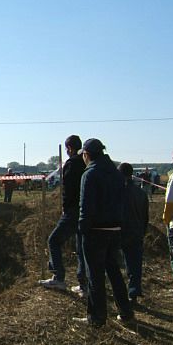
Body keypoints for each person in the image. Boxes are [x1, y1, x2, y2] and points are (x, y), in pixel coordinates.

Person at [73, 139, 134, 327]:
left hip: (95, 230)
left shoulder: (89, 174)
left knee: (95, 276)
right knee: (114, 271)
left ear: (87, 154)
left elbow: (86, 205)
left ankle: (96, 318)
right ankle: (125, 311)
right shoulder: (116, 173)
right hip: (115, 229)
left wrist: (82, 228)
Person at [38, 135, 87, 295]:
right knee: (81, 247)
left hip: (72, 210)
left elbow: (67, 190)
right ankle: (84, 283)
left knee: (53, 240)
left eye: (67, 149)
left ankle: (58, 277)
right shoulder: (86, 163)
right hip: (85, 211)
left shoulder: (71, 164)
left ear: (69, 148)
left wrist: (65, 208)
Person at [117, 162, 149, 305]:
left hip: (120, 232)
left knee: (113, 264)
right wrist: (142, 231)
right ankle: (133, 293)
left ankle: (116, 292)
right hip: (136, 232)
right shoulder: (141, 193)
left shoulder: (118, 192)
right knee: (134, 265)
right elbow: (145, 216)